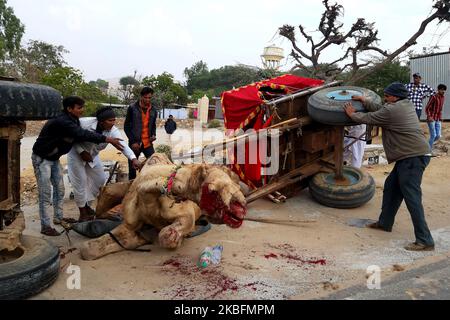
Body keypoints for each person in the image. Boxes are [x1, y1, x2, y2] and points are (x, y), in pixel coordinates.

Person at [343, 82, 434, 251]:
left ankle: (425, 240)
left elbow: (370, 117)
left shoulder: (392, 110)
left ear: (395, 97)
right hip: (410, 156)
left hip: (412, 158)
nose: (385, 98)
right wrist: (364, 100)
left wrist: (352, 114)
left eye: (387, 95)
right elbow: (380, 108)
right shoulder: (403, 104)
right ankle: (385, 223)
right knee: (391, 188)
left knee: (412, 197)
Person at [32, 97, 124, 236]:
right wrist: (107, 139)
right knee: (45, 193)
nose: (83, 110)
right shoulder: (63, 121)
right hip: (43, 159)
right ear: (69, 109)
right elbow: (81, 134)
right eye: (79, 108)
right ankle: (45, 225)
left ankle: (58, 217)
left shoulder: (73, 120)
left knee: (60, 190)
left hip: (54, 158)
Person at [67, 107, 141, 222]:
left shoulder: (113, 130)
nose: (113, 123)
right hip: (76, 155)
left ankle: (86, 205)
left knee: (100, 179)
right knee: (80, 183)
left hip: (93, 156)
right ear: (101, 122)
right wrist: (81, 151)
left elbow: (122, 145)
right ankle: (82, 214)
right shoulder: (84, 123)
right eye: (110, 120)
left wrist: (133, 159)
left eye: (114, 120)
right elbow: (72, 136)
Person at [124, 86, 157, 180]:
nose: (147, 100)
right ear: (141, 97)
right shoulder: (132, 108)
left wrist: (153, 135)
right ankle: (131, 190)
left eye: (149, 98)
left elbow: (153, 125)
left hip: (148, 143)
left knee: (153, 165)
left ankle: (148, 186)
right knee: (132, 169)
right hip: (135, 143)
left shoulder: (154, 110)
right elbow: (126, 126)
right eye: (145, 97)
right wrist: (133, 141)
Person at [425, 84, 447, 150]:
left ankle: (427, 146)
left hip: (437, 119)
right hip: (431, 118)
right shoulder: (433, 97)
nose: (443, 91)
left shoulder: (443, 97)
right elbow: (427, 107)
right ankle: (428, 150)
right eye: (441, 89)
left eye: (444, 90)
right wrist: (429, 116)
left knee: (438, 135)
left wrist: (440, 117)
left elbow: (440, 109)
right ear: (438, 90)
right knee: (433, 135)